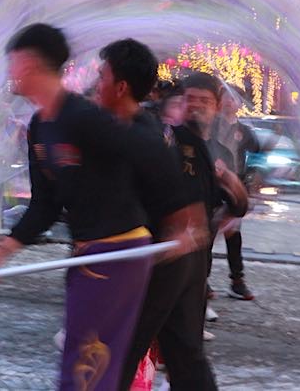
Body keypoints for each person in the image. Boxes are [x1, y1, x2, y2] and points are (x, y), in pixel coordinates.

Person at [0, 24, 202, 391]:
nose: (9, 72)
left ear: (28, 63)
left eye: (12, 63)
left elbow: (148, 150)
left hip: (119, 253)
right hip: (87, 254)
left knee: (88, 366)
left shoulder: (81, 116)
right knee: (82, 365)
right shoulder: (40, 127)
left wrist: (184, 218)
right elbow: (45, 207)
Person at [90, 39, 216, 390]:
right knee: (184, 353)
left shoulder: (140, 134)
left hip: (161, 257)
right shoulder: (142, 131)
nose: (96, 83)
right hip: (176, 257)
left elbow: (188, 201)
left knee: (121, 348)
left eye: (102, 76)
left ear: (121, 86)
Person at [180, 73, 250, 325]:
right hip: (166, 245)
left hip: (199, 245)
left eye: (204, 100)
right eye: (190, 99)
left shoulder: (221, 153)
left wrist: (233, 186)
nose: (196, 105)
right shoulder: (166, 140)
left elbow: (237, 205)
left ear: (217, 106)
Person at [212, 88, 260, 301]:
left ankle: (237, 281)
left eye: (234, 99)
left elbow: (257, 155)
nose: (229, 102)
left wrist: (250, 182)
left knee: (233, 235)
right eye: (225, 98)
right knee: (207, 234)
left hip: (234, 187)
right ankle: (200, 280)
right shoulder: (210, 126)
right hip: (213, 185)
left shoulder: (245, 131)